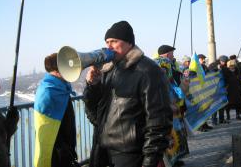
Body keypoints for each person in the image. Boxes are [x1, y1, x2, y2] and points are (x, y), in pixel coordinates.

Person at [83, 21, 172, 167]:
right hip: (103, 151)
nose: (109, 46)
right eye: (107, 42)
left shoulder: (148, 71)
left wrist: (149, 161)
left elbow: (159, 122)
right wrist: (92, 86)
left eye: (114, 41)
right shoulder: (108, 70)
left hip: (131, 155)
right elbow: (94, 113)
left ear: (129, 43)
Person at [34, 53, 78, 167]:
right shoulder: (49, 91)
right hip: (56, 152)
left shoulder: (59, 88)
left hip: (64, 149)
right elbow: (49, 127)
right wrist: (62, 148)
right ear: (58, 70)